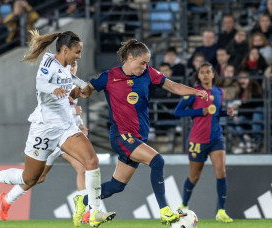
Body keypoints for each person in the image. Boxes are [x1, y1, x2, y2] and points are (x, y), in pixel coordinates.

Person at [0, 30, 116, 227]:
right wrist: (53, 89)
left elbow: (75, 84)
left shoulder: (66, 68)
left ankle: (94, 212)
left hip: (65, 128)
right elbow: (40, 82)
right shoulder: (49, 62)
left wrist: (86, 89)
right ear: (64, 49)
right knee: (30, 178)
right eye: (77, 52)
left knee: (91, 160)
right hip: (44, 128)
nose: (79, 56)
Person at [73, 39, 208, 225]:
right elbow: (87, 90)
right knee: (157, 161)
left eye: (147, 63)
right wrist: (80, 90)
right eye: (142, 62)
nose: (145, 66)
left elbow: (173, 86)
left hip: (137, 138)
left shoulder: (149, 74)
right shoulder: (109, 76)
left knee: (116, 186)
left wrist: (195, 92)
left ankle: (83, 200)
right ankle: (165, 210)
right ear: (130, 58)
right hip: (121, 136)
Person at [173, 62, 234, 223]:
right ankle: (183, 206)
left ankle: (221, 211)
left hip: (216, 138)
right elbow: (178, 111)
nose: (206, 75)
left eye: (209, 71)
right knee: (194, 177)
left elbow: (216, 112)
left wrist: (226, 113)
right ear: (199, 75)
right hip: (197, 140)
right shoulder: (193, 93)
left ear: (213, 74)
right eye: (203, 72)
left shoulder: (219, 92)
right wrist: (200, 111)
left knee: (221, 173)